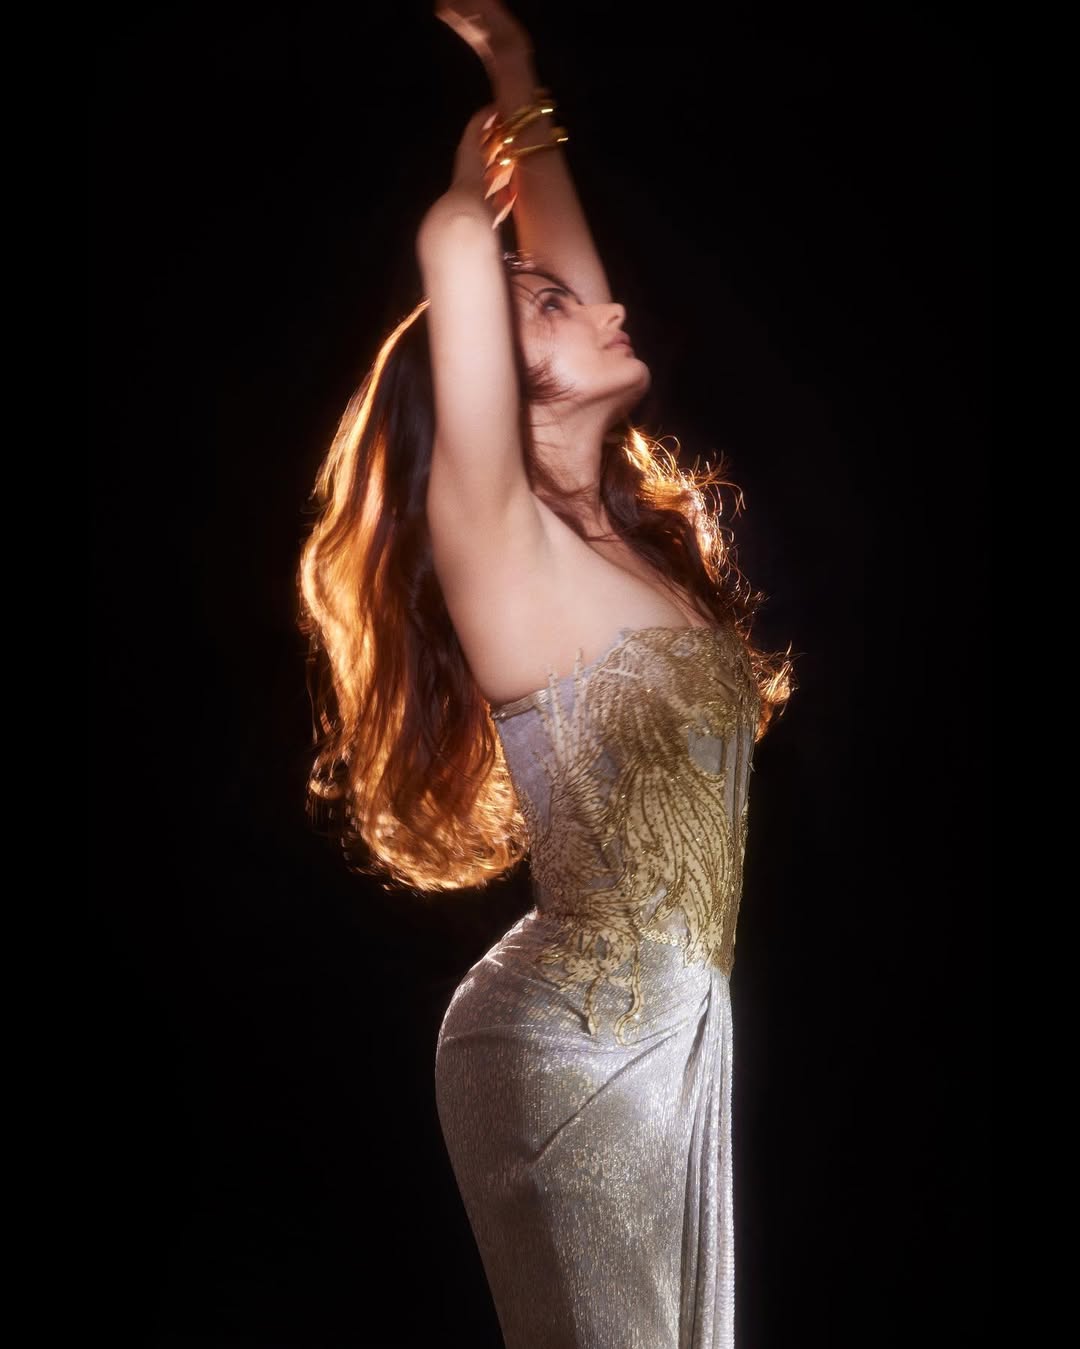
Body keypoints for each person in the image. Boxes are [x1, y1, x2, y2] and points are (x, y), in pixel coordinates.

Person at [297, 3, 796, 1344]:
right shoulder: (499, 544)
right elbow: (462, 248)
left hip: (672, 1035)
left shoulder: (614, 535)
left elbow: (535, 267)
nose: (607, 299)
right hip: (565, 1050)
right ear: (501, 381)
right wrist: (471, 184)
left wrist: (517, 76)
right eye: (558, 305)